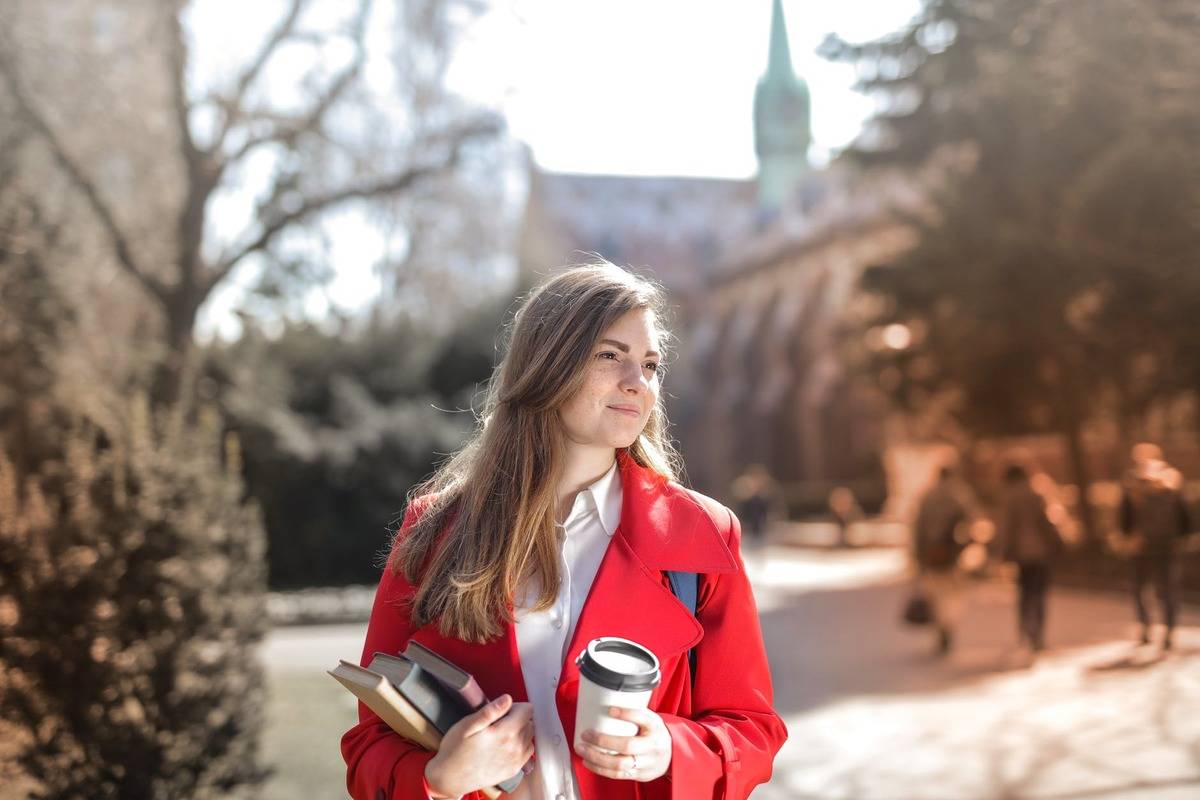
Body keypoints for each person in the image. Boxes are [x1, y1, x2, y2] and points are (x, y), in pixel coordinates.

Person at [341, 263, 787, 800]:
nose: (637, 382)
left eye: (650, 364)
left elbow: (752, 729)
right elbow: (370, 742)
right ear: (546, 365)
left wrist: (671, 749)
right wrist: (439, 780)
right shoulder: (434, 532)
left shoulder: (704, 535)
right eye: (609, 355)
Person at [1118, 443, 1192, 650]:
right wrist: (1183, 537)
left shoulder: (1132, 481)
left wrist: (1126, 537)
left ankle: (1145, 627)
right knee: (1168, 589)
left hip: (1140, 545)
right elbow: (1184, 513)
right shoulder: (1172, 479)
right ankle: (1169, 629)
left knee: (1140, 589)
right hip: (1167, 544)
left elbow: (1124, 517)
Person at [995, 465, 1063, 653]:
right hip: (1041, 552)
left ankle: (1025, 630)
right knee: (1040, 593)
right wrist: (1056, 544)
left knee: (1024, 594)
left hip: (1021, 554)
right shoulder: (1038, 492)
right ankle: (1038, 634)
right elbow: (1049, 521)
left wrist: (1004, 553)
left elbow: (1007, 528)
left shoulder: (1010, 497)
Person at [910, 466, 970, 656]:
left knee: (935, 594)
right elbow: (971, 522)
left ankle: (941, 629)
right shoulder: (958, 496)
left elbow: (918, 528)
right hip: (951, 556)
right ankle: (947, 627)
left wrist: (917, 555)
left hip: (930, 556)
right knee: (950, 594)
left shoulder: (927, 497)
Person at [732, 463, 777, 551]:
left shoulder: (764, 496)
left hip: (760, 528)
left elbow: (769, 510)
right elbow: (741, 512)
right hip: (749, 529)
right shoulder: (745, 497)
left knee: (760, 550)